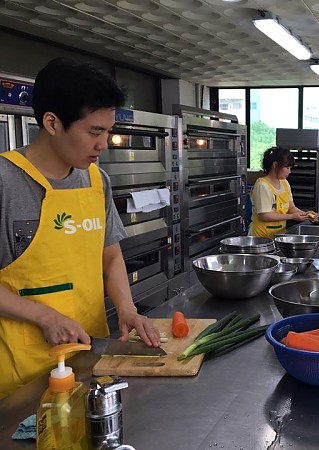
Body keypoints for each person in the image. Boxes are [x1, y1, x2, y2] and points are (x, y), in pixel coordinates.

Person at [0, 57, 161, 398]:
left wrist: (127, 310)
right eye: (94, 131)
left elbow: (111, 256)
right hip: (21, 378)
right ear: (53, 123)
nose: (103, 143)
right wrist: (44, 316)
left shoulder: (95, 181)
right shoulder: (5, 183)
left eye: (108, 131)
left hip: (89, 360)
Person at [248, 146, 316, 239]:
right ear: (275, 165)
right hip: (260, 237)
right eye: (287, 167)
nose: (289, 171)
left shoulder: (284, 183)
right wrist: (292, 217)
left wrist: (306, 215)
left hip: (278, 235)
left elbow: (291, 207)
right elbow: (265, 216)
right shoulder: (262, 185)